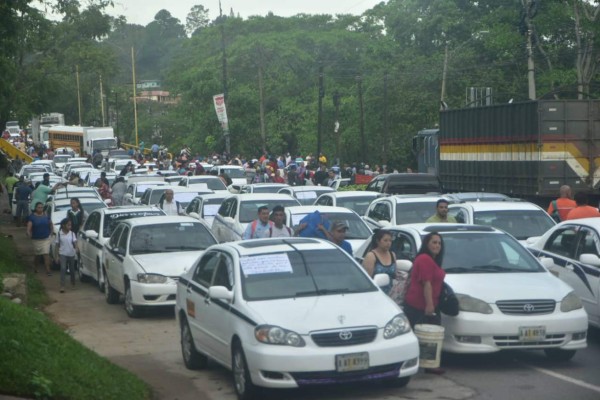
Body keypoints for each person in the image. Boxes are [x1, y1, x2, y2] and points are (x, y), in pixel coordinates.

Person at [403, 232, 446, 374]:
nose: (437, 245)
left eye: (439, 243)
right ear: (427, 244)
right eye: (434, 242)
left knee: (428, 336)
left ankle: (429, 364)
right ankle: (419, 364)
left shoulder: (432, 260)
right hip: (419, 305)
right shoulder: (424, 259)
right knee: (422, 336)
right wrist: (429, 305)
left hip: (428, 303)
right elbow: (427, 284)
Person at [362, 230, 396, 295]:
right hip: (376, 293)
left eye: (390, 241)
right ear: (378, 241)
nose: (388, 243)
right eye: (385, 240)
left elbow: (395, 275)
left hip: (391, 294)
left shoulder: (392, 255)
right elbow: (368, 279)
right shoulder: (371, 256)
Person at [26, 202, 54, 276]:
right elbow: (29, 227)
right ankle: (35, 267)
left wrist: (51, 232)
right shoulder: (32, 217)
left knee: (46, 254)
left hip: (46, 238)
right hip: (36, 239)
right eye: (39, 207)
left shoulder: (46, 216)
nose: (40, 209)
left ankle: (48, 270)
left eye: (41, 207)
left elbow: (50, 224)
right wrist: (28, 232)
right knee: (37, 255)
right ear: (35, 208)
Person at [54, 218, 78, 292]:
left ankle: (73, 283)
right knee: (63, 268)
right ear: (63, 225)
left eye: (70, 225)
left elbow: (75, 243)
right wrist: (57, 256)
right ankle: (62, 286)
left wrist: (76, 248)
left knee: (72, 270)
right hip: (62, 253)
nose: (70, 227)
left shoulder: (72, 233)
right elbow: (57, 245)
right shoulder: (59, 234)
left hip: (71, 254)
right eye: (68, 225)